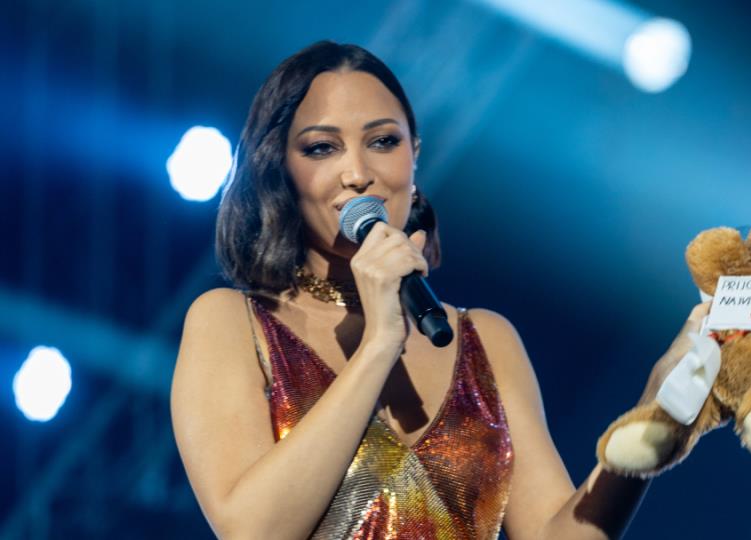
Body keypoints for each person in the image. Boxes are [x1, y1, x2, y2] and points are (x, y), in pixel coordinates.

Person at [171, 40, 709, 540]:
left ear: (415, 154)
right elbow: (252, 530)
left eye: (383, 141)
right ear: (278, 168)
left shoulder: (486, 339)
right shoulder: (233, 322)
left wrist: (657, 412)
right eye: (321, 148)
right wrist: (380, 342)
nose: (357, 173)